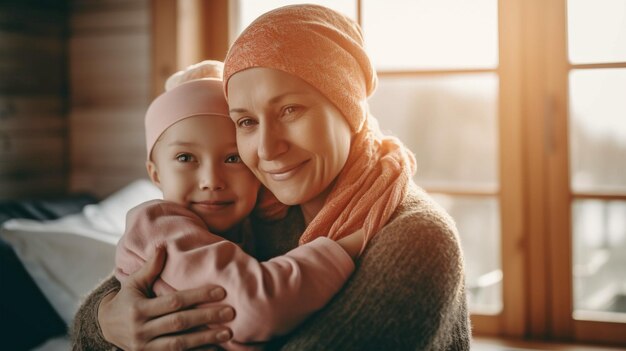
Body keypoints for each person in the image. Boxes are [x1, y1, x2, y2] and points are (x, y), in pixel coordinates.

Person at [72, 4, 470, 350]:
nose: (266, 148)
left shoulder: (415, 236)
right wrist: (107, 320)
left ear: (349, 111)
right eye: (245, 121)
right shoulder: (256, 204)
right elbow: (131, 283)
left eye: (290, 110)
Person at [113, 60, 364, 349]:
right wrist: (345, 247)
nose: (211, 180)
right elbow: (258, 307)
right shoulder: (156, 225)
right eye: (185, 158)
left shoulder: (257, 223)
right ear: (155, 173)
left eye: (233, 159)